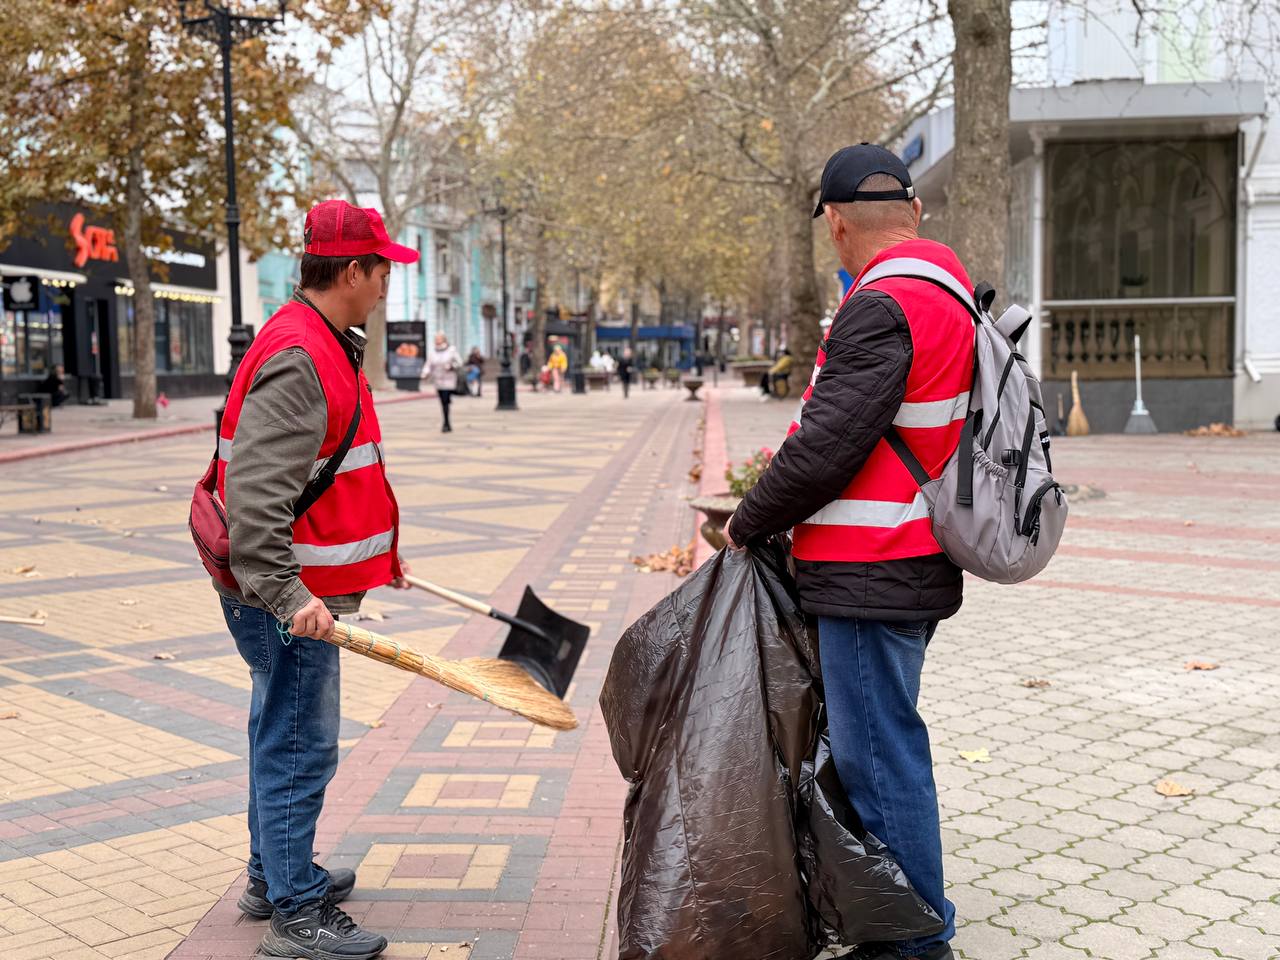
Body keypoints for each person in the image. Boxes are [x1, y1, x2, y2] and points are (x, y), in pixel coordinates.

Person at [725, 144, 974, 960]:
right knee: (886, 744)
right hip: (910, 553)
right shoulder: (946, 286)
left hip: (874, 564)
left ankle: (912, 940)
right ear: (915, 211)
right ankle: (904, 922)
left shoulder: (883, 302)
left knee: (879, 759)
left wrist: (747, 520)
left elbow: (827, 444)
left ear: (834, 224)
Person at [215, 198, 417, 960]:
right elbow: (253, 505)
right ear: (352, 271)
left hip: (290, 592)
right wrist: (293, 596)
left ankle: (273, 874)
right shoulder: (302, 355)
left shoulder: (324, 340)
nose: (388, 283)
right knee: (300, 745)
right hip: (283, 599)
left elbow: (327, 475)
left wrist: (380, 556)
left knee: (280, 732)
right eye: (383, 269)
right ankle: (297, 914)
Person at [428, 333, 462, 432]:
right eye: (436, 339)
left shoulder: (451, 350)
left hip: (449, 379)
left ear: (444, 340)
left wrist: (451, 366)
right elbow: (429, 364)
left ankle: (446, 423)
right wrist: (424, 373)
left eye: (439, 339)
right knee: (442, 401)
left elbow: (459, 362)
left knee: (445, 400)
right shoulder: (433, 352)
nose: (437, 341)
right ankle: (446, 421)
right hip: (438, 380)